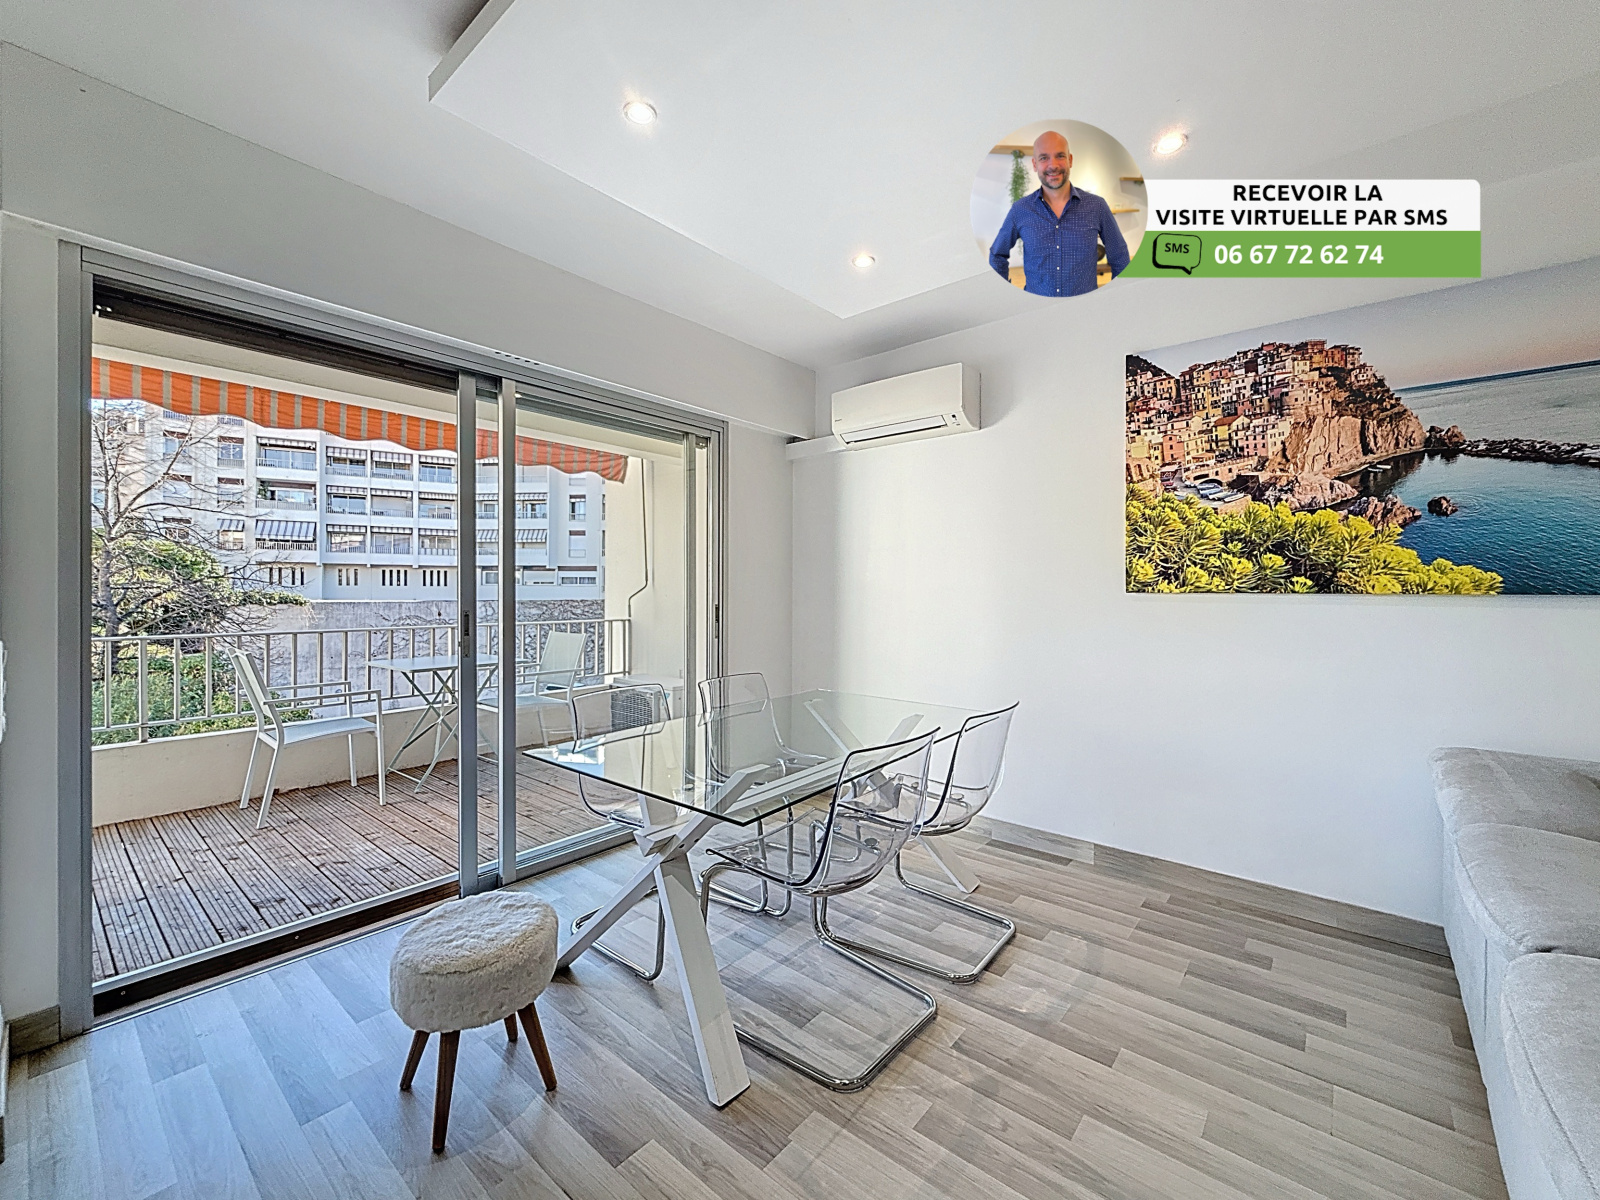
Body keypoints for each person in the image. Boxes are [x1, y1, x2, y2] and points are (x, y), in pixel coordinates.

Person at [988, 131, 1129, 297]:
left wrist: (1116, 297)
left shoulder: (1097, 206)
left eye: (1060, 156)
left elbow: (1120, 257)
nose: (1053, 165)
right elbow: (997, 255)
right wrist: (1005, 296)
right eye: (1044, 158)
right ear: (1034, 164)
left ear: (1070, 160)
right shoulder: (1020, 210)